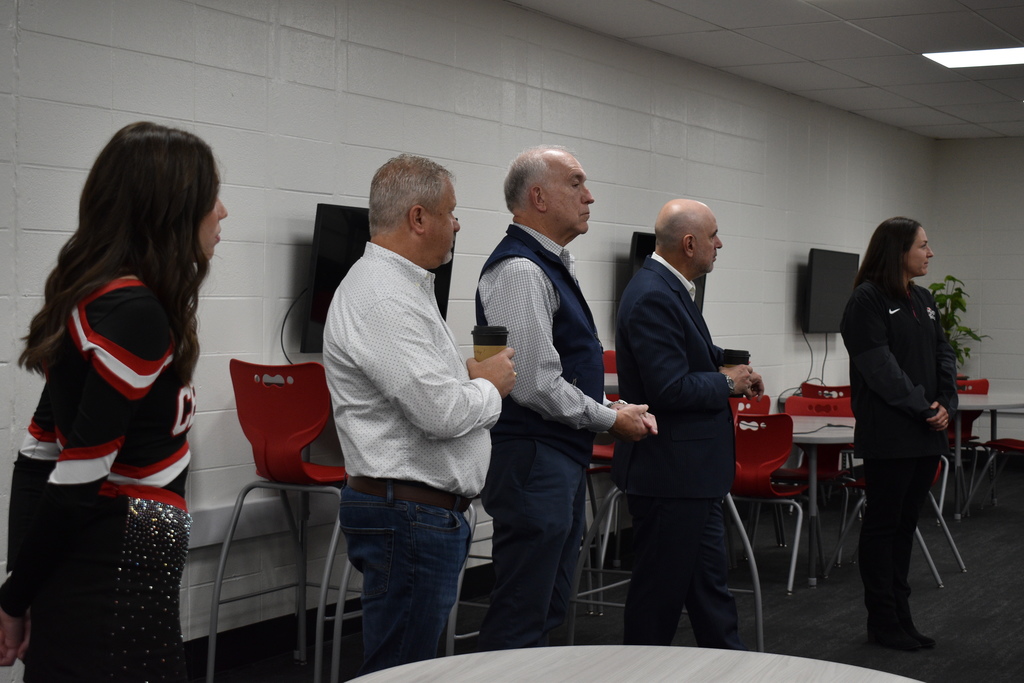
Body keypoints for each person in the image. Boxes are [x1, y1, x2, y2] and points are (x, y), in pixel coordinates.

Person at [0, 122, 227, 680]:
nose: (222, 212)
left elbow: (38, 449)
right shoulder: (134, 313)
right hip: (115, 579)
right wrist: (13, 597)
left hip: (106, 571)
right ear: (169, 211)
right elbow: (72, 476)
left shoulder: (102, 295)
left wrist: (18, 588)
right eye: (208, 198)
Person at [323, 154, 516, 675]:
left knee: (409, 665)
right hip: (408, 516)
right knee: (402, 671)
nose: (457, 224)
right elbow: (441, 412)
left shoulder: (401, 288)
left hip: (417, 513)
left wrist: (468, 382)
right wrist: (488, 386)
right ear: (418, 217)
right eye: (451, 213)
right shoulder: (382, 296)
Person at [475, 145, 656, 650]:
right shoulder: (520, 269)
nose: (589, 196)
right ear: (538, 196)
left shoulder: (549, 262)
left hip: (554, 458)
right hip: (535, 459)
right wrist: (608, 420)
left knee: (547, 606)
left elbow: (555, 368)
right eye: (575, 183)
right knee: (522, 611)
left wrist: (609, 406)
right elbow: (533, 383)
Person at [614, 198, 762, 649]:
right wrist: (728, 385)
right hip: (670, 476)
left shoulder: (672, 288)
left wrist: (731, 366)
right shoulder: (654, 294)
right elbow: (670, 389)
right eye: (714, 236)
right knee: (657, 604)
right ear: (690, 243)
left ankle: (732, 671)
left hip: (690, 476)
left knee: (710, 597)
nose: (721, 244)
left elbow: (689, 354)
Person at [840, 216, 957, 651]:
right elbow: (881, 370)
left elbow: (944, 353)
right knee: (883, 527)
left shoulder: (923, 298)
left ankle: (901, 616)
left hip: (926, 432)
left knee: (906, 526)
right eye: (923, 246)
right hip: (891, 435)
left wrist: (947, 403)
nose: (930, 253)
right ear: (898, 250)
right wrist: (924, 407)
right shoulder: (866, 301)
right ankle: (882, 621)